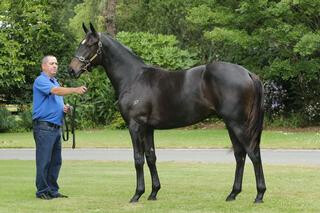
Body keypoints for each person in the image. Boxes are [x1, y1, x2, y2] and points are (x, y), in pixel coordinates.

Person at [32, 55, 87, 200]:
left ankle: (52, 190)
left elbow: (57, 100)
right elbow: (55, 91)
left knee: (56, 161)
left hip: (55, 128)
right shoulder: (41, 80)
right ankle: (42, 191)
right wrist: (75, 89)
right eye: (51, 63)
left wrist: (64, 108)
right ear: (44, 66)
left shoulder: (55, 82)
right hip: (44, 127)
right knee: (44, 161)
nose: (55, 66)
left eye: (56, 63)